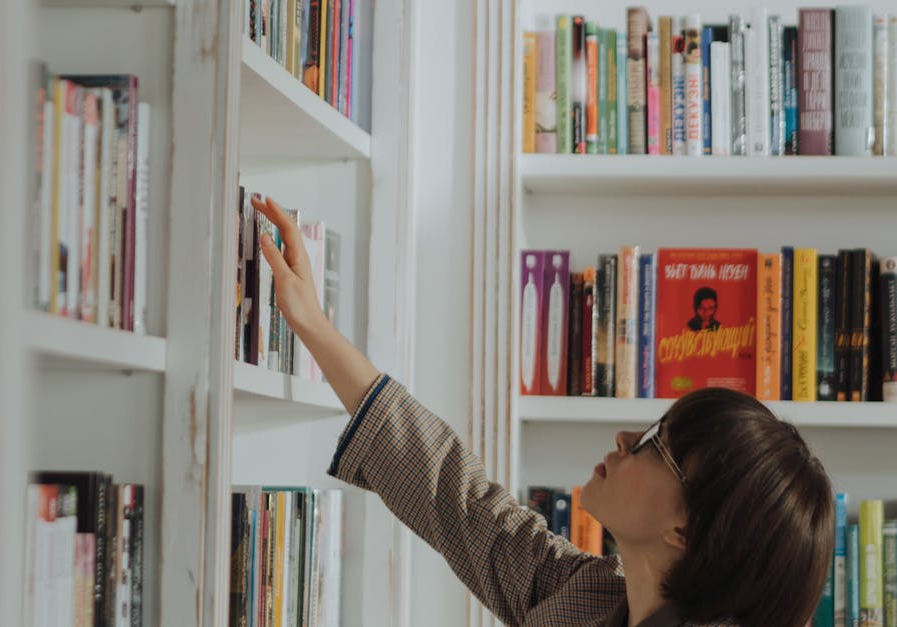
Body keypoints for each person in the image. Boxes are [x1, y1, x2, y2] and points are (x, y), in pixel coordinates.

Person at [253, 197, 835, 627]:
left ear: (686, 528)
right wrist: (313, 324)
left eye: (658, 442)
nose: (626, 437)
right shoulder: (594, 596)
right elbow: (457, 499)